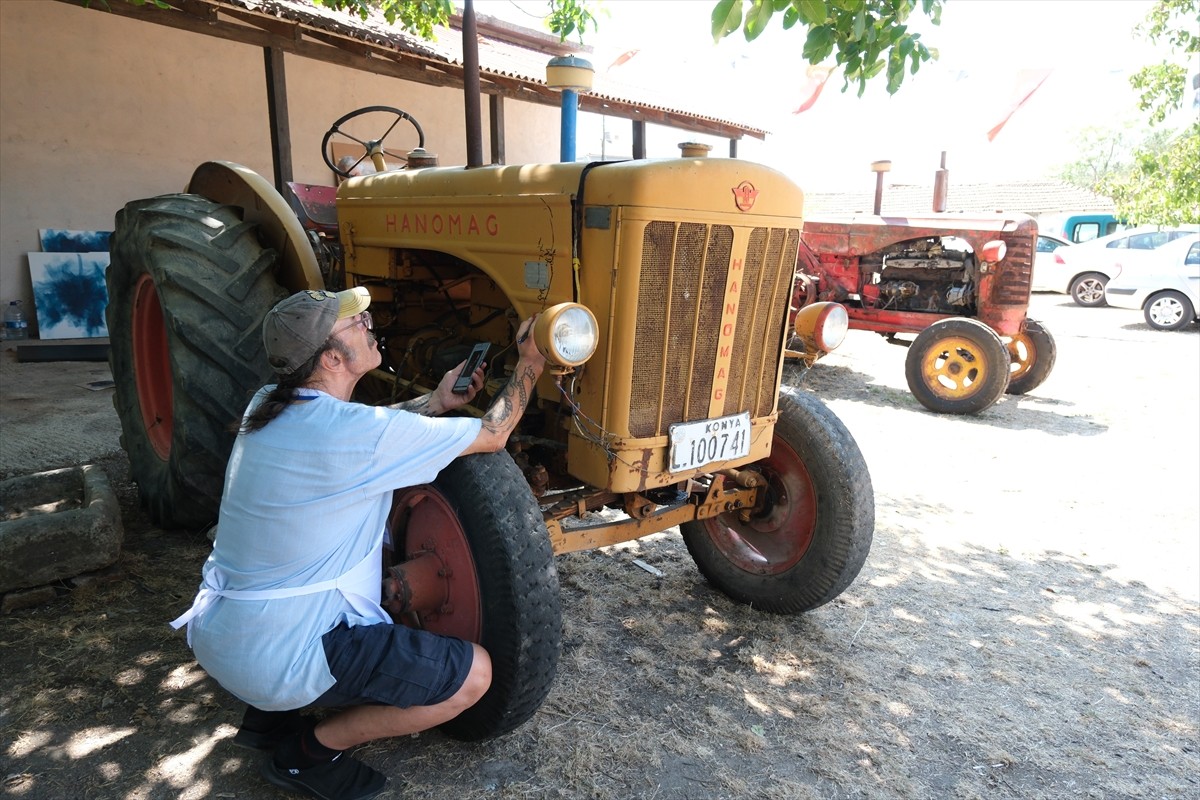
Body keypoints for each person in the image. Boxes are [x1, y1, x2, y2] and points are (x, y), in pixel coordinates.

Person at [170, 287, 546, 800]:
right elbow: (493, 434)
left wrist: (435, 403)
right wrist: (531, 362)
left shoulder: (268, 404)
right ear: (330, 357)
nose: (367, 321)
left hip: (224, 634)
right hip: (279, 657)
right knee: (475, 677)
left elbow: (366, 435)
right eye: (354, 322)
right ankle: (308, 753)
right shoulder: (356, 434)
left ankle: (270, 719)